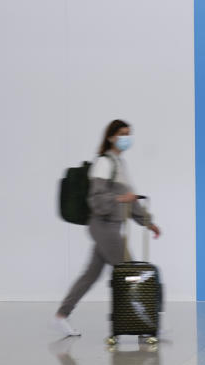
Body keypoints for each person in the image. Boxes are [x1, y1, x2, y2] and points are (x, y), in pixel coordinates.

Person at [55, 120, 161, 336]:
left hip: (112, 226)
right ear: (111, 137)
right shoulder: (103, 163)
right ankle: (142, 324)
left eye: (128, 134)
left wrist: (148, 222)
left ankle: (61, 316)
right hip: (103, 225)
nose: (126, 138)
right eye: (122, 134)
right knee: (130, 271)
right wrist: (122, 197)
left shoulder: (120, 164)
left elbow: (130, 201)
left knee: (90, 275)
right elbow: (96, 200)